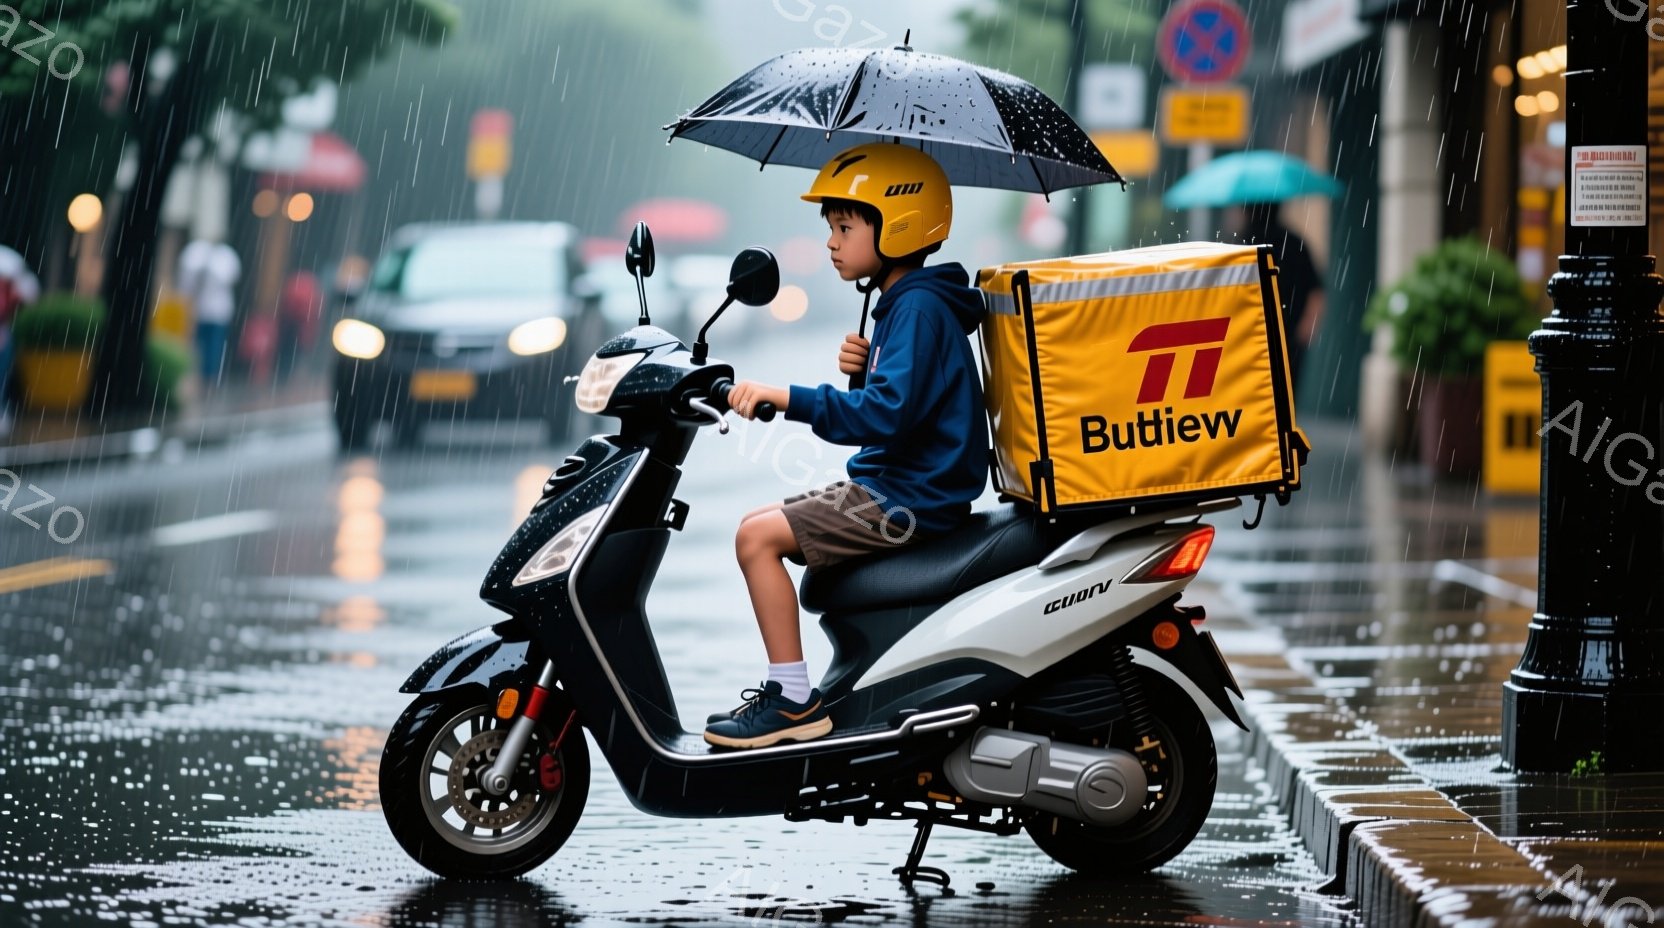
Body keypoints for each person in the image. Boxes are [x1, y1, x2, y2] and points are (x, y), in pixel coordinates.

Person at [707, 143, 989, 749]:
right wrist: (863, 371)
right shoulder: (909, 306)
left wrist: (786, 398)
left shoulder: (915, 309)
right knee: (760, 522)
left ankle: (790, 702)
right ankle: (800, 693)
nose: (833, 242)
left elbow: (885, 417)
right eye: (832, 228)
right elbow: (902, 407)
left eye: (844, 227)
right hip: (902, 485)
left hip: (907, 498)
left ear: (898, 227)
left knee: (755, 538)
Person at [1236, 201, 1326, 381]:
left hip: (1251, 332)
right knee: (1288, 390)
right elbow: (1316, 290)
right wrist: (1308, 326)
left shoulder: (1240, 244)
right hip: (1289, 332)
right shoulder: (1294, 242)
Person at [177, 239, 242, 384]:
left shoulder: (223, 259)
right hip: (202, 311)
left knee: (212, 346)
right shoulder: (198, 257)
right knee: (200, 345)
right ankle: (201, 376)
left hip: (216, 313)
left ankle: (208, 377)